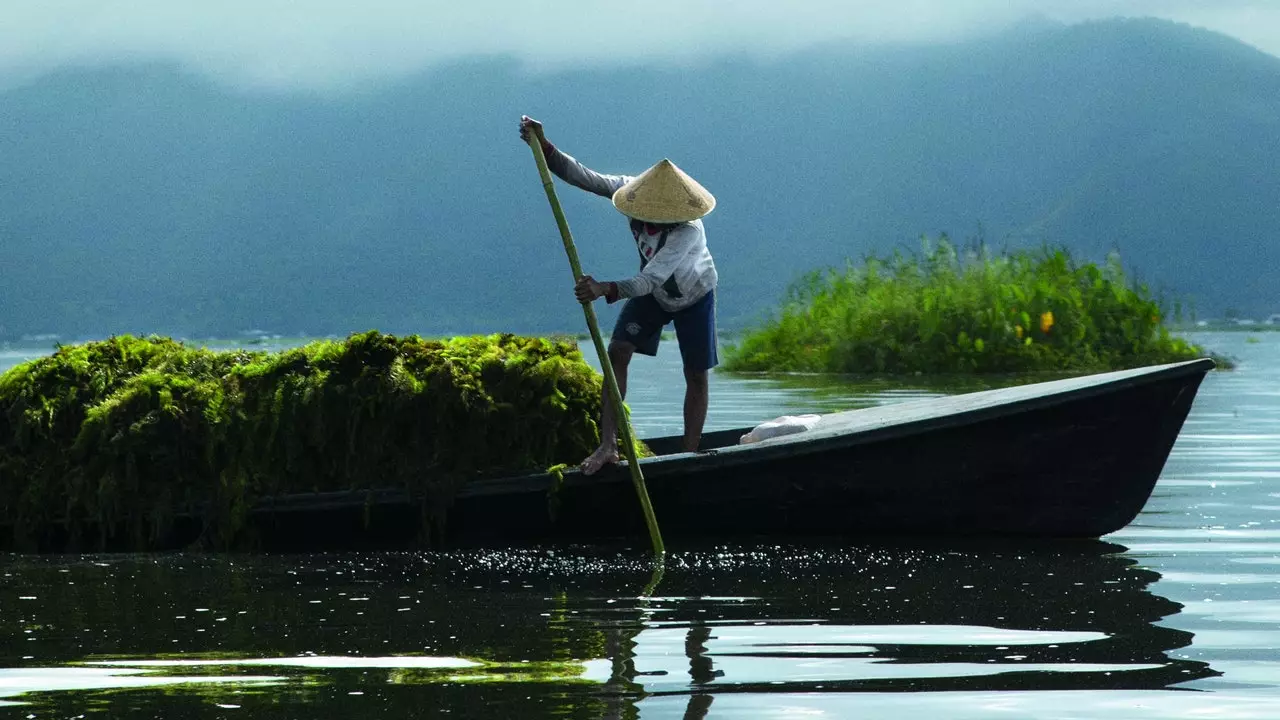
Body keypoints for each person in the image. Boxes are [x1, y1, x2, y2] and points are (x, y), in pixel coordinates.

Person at [519, 115, 719, 475]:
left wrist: (605, 289)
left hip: (694, 296)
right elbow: (585, 177)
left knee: (696, 375)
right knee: (618, 351)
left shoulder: (687, 233)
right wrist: (545, 147)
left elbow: (650, 279)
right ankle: (607, 444)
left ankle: (689, 454)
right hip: (654, 296)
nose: (648, 219)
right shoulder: (632, 193)